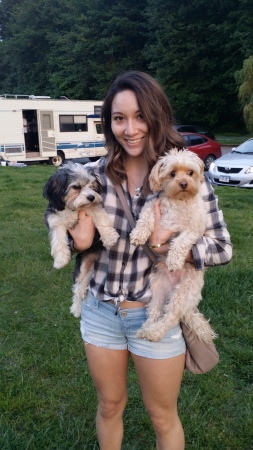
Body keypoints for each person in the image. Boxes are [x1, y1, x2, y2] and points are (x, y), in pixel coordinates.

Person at [68, 71, 232, 450]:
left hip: (153, 311)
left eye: (140, 116)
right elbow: (65, 221)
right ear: (109, 123)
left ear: (156, 116)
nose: (130, 129)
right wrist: (74, 240)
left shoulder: (185, 174)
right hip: (101, 309)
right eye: (119, 118)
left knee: (162, 416)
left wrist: (170, 247)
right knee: (109, 406)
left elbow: (223, 246)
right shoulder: (92, 176)